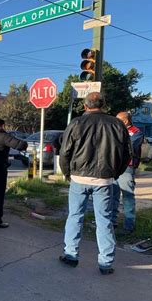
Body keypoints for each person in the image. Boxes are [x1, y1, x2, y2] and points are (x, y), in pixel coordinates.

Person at [59, 92, 131, 275]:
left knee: (75, 216)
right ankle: (106, 263)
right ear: (104, 104)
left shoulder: (76, 123)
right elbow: (127, 155)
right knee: (104, 220)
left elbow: (65, 152)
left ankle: (71, 255)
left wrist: (68, 173)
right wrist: (114, 173)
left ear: (85, 106)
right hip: (105, 179)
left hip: (78, 178)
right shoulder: (117, 124)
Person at [112, 111, 144, 234]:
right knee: (113, 196)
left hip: (126, 168)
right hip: (114, 167)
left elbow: (128, 146)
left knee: (127, 197)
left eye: (118, 120)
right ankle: (112, 223)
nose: (116, 122)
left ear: (125, 121)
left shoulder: (136, 132)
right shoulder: (116, 131)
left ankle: (128, 226)